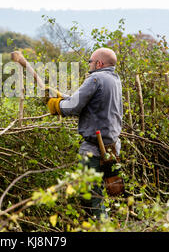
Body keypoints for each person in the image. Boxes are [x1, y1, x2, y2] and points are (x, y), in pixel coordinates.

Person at [47, 48, 123, 220]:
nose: (88, 64)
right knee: (105, 192)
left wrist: (56, 106)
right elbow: (83, 101)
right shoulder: (114, 79)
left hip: (95, 148)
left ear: (99, 63)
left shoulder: (95, 78)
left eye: (90, 61)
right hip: (112, 147)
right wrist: (61, 96)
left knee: (93, 197)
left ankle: (101, 227)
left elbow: (74, 107)